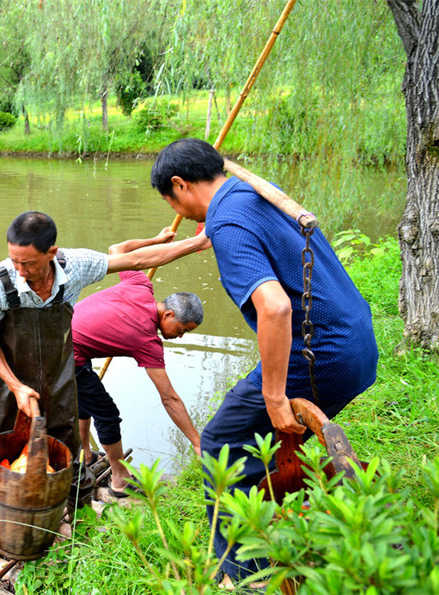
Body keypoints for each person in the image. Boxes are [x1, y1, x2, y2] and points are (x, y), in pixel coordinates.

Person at [150, 138, 378, 583]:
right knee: (261, 450)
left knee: (220, 445)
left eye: (168, 199)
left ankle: (241, 575)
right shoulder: (250, 190)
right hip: (357, 343)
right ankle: (277, 528)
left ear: (179, 185)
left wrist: (275, 396)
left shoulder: (228, 224)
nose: (174, 208)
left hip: (322, 353)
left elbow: (275, 308)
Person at [0, 211, 210, 549]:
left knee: (68, 442)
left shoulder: (77, 266)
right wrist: (15, 386)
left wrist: (197, 243)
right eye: (14, 261)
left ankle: (79, 512)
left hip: (60, 370)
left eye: (27, 263)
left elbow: (138, 257)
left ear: (52, 253)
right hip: (5, 377)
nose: (20, 271)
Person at [72, 251, 203, 498]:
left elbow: (116, 249)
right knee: (107, 414)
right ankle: (120, 481)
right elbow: (169, 398)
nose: (180, 336)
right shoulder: (147, 340)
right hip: (66, 354)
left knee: (87, 398)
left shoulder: (140, 284)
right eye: (182, 330)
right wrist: (197, 442)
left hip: (61, 337)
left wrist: (157, 244)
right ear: (168, 315)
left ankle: (87, 455)